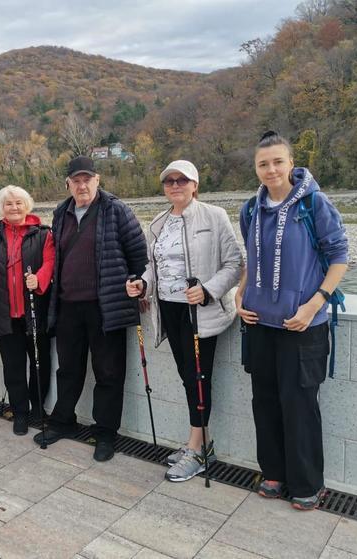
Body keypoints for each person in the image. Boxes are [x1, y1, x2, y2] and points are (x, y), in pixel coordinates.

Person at [236, 131, 348, 510]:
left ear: (291, 162)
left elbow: (339, 258)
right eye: (263, 163)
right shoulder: (250, 208)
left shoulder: (314, 203)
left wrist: (314, 304)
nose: (271, 170)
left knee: (299, 403)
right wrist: (240, 293)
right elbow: (252, 258)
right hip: (257, 323)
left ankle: (307, 484)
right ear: (256, 167)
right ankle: (273, 473)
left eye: (277, 162)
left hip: (302, 325)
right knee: (264, 400)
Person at [129, 160, 242, 481]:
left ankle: (197, 448)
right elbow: (154, 267)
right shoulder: (159, 223)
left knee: (198, 378)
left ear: (195, 184)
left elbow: (234, 264)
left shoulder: (214, 216)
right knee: (186, 375)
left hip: (200, 312)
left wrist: (207, 290)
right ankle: (200, 442)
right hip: (170, 310)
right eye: (169, 181)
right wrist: (142, 284)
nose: (175, 185)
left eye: (182, 180)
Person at [34, 155, 147, 461]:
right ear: (68, 184)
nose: (82, 185)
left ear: (97, 180)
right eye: (76, 180)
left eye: (88, 179)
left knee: (108, 372)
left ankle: (106, 433)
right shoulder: (61, 213)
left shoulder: (116, 210)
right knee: (68, 368)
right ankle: (63, 421)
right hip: (69, 305)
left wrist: (139, 285)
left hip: (106, 305)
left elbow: (139, 255)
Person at [0, 185, 55, 436]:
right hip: (3, 315)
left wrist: (39, 279)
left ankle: (38, 407)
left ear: (27, 205)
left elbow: (50, 261)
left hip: (35, 311)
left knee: (40, 364)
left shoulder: (43, 234)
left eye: (18, 203)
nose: (14, 207)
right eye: (8, 204)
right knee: (13, 367)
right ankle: (20, 412)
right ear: (1, 208)